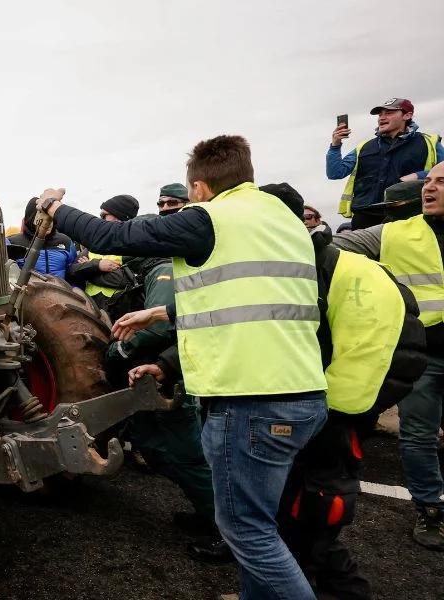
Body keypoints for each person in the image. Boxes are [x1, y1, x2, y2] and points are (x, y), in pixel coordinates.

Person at [41, 135, 328, 598]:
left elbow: (113, 236)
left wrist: (54, 208)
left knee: (248, 533)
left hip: (249, 401)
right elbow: (247, 299)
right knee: (257, 526)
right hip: (302, 394)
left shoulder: (210, 219)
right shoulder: (282, 221)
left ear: (198, 187)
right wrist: (160, 317)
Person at [263, 182, 427, 597]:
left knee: (316, 512)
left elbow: (392, 353)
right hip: (303, 411)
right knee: (288, 513)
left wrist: (327, 415)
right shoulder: (289, 268)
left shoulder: (349, 271)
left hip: (329, 416)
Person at [332, 162, 444, 550]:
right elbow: (331, 245)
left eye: (441, 182)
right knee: (418, 435)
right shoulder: (396, 233)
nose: (430, 188)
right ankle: (430, 510)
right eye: (428, 181)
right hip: (425, 357)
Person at [98, 236, 224, 564]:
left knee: (189, 456)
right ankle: (208, 514)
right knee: (151, 445)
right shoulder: (156, 271)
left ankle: (225, 530)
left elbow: (161, 329)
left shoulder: (163, 271)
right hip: (151, 378)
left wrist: (117, 351)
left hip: (165, 379)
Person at [327, 98, 442, 229]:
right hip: (365, 216)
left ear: (407, 115)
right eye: (380, 114)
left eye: (389, 113)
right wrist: (335, 145)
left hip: (409, 213)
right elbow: (334, 173)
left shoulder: (429, 142)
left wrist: (418, 175)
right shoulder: (364, 147)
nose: (382, 117)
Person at [67, 195, 138, 310]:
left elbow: (124, 281)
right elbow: (72, 271)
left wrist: (88, 270)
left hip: (119, 310)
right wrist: (97, 265)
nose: (101, 219)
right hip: (90, 307)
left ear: (119, 216)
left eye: (104, 215)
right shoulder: (94, 245)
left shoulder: (133, 246)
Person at [7, 197, 79, 281]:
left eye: (51, 218)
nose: (48, 222)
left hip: (59, 291)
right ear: (32, 218)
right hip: (27, 292)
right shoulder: (11, 242)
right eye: (43, 217)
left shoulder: (65, 241)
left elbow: (73, 271)